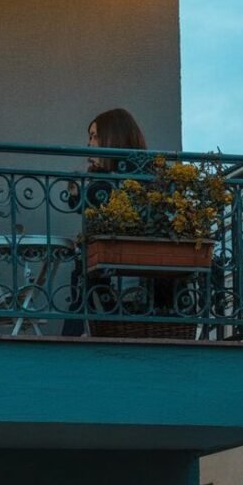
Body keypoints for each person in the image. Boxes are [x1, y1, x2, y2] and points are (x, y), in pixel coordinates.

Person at [62, 108, 148, 336]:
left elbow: (96, 199)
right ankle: (78, 334)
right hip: (112, 268)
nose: (89, 144)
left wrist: (80, 191)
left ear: (112, 137)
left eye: (94, 136)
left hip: (129, 269)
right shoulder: (113, 177)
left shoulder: (132, 178)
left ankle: (73, 338)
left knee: (85, 274)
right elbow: (90, 202)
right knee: (84, 271)